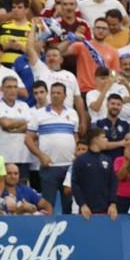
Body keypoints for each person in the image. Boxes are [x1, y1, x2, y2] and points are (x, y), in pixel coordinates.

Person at [26, 82, 80, 214]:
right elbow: (28, 139)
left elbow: (76, 137)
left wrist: (76, 154)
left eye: (58, 93)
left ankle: (68, 232)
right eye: (53, 93)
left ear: (65, 96)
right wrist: (41, 156)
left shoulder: (73, 113)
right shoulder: (39, 114)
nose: (55, 95)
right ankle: (48, 231)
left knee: (69, 205)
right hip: (49, 166)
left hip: (69, 167)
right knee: (47, 205)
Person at [70, 129, 119, 220]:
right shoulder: (81, 160)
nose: (106, 140)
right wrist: (83, 205)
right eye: (103, 137)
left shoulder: (107, 159)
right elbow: (75, 184)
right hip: (87, 211)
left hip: (107, 210)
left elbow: (113, 182)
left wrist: (113, 203)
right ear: (95, 139)